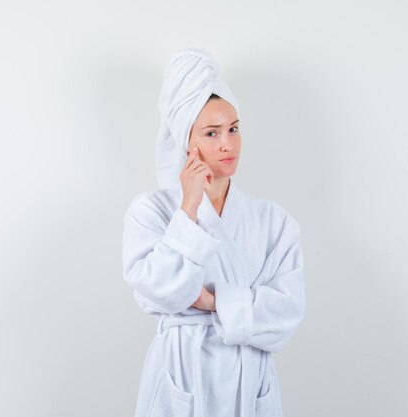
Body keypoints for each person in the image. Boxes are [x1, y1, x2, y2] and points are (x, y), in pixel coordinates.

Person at [122, 48, 306, 417]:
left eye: (234, 129)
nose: (228, 144)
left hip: (249, 379)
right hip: (182, 374)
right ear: (186, 141)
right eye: (212, 133)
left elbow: (287, 313)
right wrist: (188, 209)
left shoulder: (274, 220)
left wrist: (212, 302)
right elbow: (158, 293)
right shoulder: (151, 211)